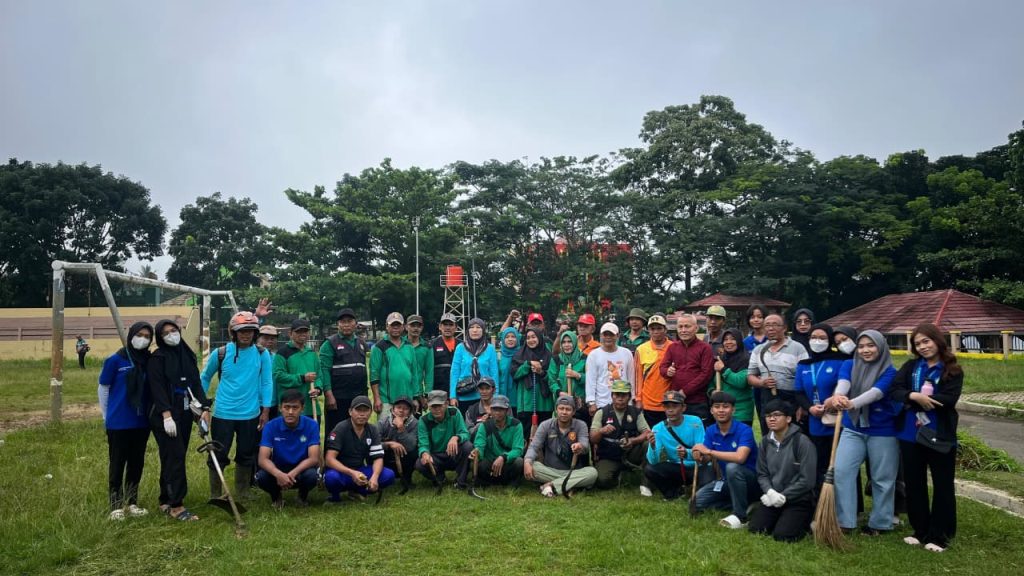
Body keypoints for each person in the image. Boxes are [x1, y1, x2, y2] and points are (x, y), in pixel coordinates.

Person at [890, 323, 963, 552]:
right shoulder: (911, 367)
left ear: (937, 341)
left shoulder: (952, 370)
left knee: (943, 485)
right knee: (914, 483)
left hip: (939, 435)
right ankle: (920, 530)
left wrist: (921, 400)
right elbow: (895, 390)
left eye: (926, 341)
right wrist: (914, 396)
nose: (922, 347)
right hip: (910, 434)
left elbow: (949, 399)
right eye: (918, 343)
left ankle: (940, 535)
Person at [825, 329, 899, 535]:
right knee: (842, 471)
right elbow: (843, 384)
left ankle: (881, 522)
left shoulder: (890, 371)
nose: (866, 350)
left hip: (883, 430)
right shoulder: (849, 364)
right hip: (853, 428)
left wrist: (851, 403)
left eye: (871, 345)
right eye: (861, 346)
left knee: (882, 478)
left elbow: (876, 393)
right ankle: (845, 521)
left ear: (881, 347)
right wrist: (838, 396)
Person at [200, 310, 274, 502]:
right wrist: (201, 404)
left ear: (255, 333)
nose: (246, 334)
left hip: (251, 414)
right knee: (218, 453)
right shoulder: (221, 353)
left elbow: (267, 382)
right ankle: (216, 493)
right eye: (241, 331)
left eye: (250, 330)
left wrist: (266, 410)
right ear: (233, 332)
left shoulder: (262, 354)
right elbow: (205, 377)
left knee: (246, 453)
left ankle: (243, 491)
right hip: (223, 413)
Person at [149, 319, 210, 521]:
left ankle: (165, 499)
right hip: (165, 414)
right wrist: (166, 415)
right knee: (174, 456)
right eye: (165, 333)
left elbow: (196, 383)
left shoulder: (187, 354)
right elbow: (157, 388)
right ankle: (177, 505)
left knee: (174, 455)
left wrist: (204, 408)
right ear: (160, 337)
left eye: (173, 330)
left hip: (184, 411)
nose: (171, 335)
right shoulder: (157, 358)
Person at [99, 321, 153, 520]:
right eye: (139, 335)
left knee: (136, 463)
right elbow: (103, 388)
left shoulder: (149, 361)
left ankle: (132, 502)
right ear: (131, 336)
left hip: (141, 422)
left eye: (147, 336)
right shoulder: (115, 360)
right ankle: (116, 505)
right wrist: (106, 415)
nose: (142, 339)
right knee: (117, 462)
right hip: (118, 422)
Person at [748, 399, 817, 542]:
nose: (771, 419)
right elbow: (762, 473)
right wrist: (770, 492)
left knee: (783, 536)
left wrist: (784, 496)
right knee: (756, 528)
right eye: (768, 416)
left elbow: (807, 480)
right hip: (773, 496)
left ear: (788, 419)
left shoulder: (802, 442)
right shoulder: (765, 442)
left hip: (798, 498)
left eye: (777, 415)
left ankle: (808, 521)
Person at [692, 391, 760, 529]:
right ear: (711, 410)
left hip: (752, 482)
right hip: (727, 481)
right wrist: (699, 455)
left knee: (732, 467)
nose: (721, 410)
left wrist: (709, 451)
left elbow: (740, 458)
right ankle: (746, 504)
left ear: (733, 410)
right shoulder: (711, 430)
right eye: (717, 407)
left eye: (725, 406)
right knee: (696, 503)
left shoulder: (745, 430)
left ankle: (740, 516)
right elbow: (707, 457)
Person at [793, 323, 846, 490]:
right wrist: (810, 408)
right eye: (814, 337)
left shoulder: (841, 360)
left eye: (822, 338)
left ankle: (849, 502)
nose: (817, 341)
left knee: (843, 466)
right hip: (815, 420)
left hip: (839, 420)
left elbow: (847, 385)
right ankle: (822, 499)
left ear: (830, 340)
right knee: (819, 464)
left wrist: (834, 401)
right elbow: (799, 392)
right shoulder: (804, 364)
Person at [255, 389, 320, 508]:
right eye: (286, 407)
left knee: (312, 476)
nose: (290, 412)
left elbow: (314, 458)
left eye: (295, 408)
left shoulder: (312, 425)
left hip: (301, 470)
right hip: (279, 469)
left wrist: (292, 474)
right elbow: (262, 459)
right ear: (280, 408)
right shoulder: (270, 426)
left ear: (302, 408)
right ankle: (276, 497)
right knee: (262, 477)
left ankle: (302, 497)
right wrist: (279, 474)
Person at [524, 396, 599, 497]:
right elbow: (534, 447)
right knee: (533, 466)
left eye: (568, 409)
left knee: (593, 473)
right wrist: (527, 461)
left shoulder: (581, 425)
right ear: (556, 410)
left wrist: (580, 446)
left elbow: (585, 444)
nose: (564, 412)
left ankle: (550, 485)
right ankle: (571, 484)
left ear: (573, 412)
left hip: (574, 471)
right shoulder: (545, 425)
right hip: (549, 471)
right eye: (561, 408)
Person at [747, 314, 809, 434]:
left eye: (775, 325)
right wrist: (761, 382)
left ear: (784, 328)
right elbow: (750, 376)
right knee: (769, 436)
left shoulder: (798, 348)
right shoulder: (758, 350)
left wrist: (802, 405)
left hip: (792, 400)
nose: (770, 328)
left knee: (792, 437)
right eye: (767, 325)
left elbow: (805, 378)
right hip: (767, 399)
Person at [323, 395, 394, 500]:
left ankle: (357, 490)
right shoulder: (340, 428)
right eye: (358, 410)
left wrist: (374, 477)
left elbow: (378, 458)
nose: (362, 414)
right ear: (350, 412)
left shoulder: (372, 430)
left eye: (365, 410)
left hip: (359, 470)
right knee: (332, 478)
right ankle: (335, 497)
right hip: (341, 471)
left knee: (389, 475)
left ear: (370, 412)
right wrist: (352, 473)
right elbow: (329, 459)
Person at [591, 380, 651, 493]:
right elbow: (593, 438)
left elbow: (647, 432)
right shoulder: (601, 412)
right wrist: (601, 431)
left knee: (648, 444)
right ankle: (618, 478)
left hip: (631, 453)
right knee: (602, 480)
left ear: (629, 397)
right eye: (617, 394)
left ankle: (646, 482)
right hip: (609, 455)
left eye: (624, 395)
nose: (620, 398)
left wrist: (633, 441)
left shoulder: (636, 412)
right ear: (612, 396)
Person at [644, 390, 705, 500]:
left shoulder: (695, 421)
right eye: (667, 406)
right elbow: (653, 461)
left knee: (707, 483)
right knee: (650, 469)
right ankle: (672, 494)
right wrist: (652, 446)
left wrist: (687, 453)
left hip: (697, 466)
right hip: (677, 467)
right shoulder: (658, 428)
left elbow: (702, 450)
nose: (670, 410)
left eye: (675, 406)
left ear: (683, 407)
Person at [319, 308, 370, 434]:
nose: (346, 325)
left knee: (357, 431)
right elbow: (324, 370)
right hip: (338, 397)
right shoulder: (329, 344)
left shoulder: (361, 343)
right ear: (338, 324)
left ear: (355, 324)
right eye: (343, 322)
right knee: (335, 431)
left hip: (358, 396)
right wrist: (329, 395)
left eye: (349, 321)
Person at [660, 314, 714, 426]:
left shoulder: (705, 348)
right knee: (677, 432)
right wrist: (667, 371)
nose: (683, 330)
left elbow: (706, 375)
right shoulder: (672, 347)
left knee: (697, 432)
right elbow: (662, 367)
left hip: (697, 402)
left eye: (687, 326)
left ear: (696, 328)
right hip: (675, 402)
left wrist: (684, 392)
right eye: (680, 327)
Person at [416, 390, 473, 489]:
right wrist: (425, 453)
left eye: (440, 405)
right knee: (419, 464)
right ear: (429, 406)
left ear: (446, 404)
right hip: (435, 456)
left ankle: (461, 480)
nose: (437, 409)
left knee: (468, 446)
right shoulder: (423, 420)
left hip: (453, 452)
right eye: (434, 406)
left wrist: (456, 437)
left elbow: (465, 433)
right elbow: (423, 443)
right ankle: (439, 477)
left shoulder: (454, 412)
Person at [273, 318, 323, 419]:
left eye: (305, 331)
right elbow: (279, 376)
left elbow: (318, 376)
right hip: (290, 408)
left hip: (310, 407)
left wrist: (317, 389)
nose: (302, 334)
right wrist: (302, 378)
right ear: (290, 333)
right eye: (298, 332)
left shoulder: (312, 353)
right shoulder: (282, 353)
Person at [370, 312, 418, 416]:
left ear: (403, 327)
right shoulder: (379, 347)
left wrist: (415, 397)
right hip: (386, 400)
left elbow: (414, 373)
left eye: (398, 325)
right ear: (387, 326)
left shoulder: (409, 346)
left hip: (407, 400)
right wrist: (377, 398)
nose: (395, 328)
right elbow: (374, 375)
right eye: (392, 325)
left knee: (407, 426)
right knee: (386, 427)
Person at [472, 394, 525, 486]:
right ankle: (493, 481)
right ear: (490, 410)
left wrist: (503, 457)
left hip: (507, 462)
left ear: (507, 410)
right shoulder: (484, 426)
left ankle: (507, 481)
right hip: (490, 463)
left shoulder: (516, 425)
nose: (497, 412)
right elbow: (479, 445)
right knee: (480, 464)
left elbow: (518, 450)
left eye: (501, 409)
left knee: (519, 462)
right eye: (494, 409)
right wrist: (476, 452)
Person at [586, 322, 635, 421]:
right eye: (605, 334)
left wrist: (632, 399)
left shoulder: (627, 353)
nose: (608, 337)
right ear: (600, 336)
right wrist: (591, 402)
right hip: (602, 403)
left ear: (617, 336)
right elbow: (590, 380)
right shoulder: (593, 355)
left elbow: (631, 378)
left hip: (624, 403)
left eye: (611, 335)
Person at [450, 318, 499, 413]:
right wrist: (452, 396)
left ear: (483, 330)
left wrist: (495, 395)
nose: (475, 330)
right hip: (464, 394)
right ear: (468, 330)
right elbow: (454, 372)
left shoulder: (490, 349)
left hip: (484, 395)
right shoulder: (460, 348)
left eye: (478, 327)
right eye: (472, 327)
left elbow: (494, 373)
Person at [513, 328, 554, 441]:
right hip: (526, 403)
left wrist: (541, 372)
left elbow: (553, 377)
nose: (531, 340)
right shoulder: (519, 355)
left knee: (544, 436)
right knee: (526, 436)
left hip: (544, 403)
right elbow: (515, 374)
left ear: (540, 338)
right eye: (528, 338)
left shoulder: (548, 355)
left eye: (533, 337)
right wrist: (528, 364)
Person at [634, 314, 673, 427]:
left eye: (659, 328)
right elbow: (637, 377)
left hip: (670, 402)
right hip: (648, 403)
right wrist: (638, 399)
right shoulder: (641, 349)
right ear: (648, 331)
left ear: (665, 329)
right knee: (651, 435)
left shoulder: (674, 347)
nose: (656, 332)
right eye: (652, 329)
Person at [713, 328, 753, 426]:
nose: (728, 342)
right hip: (722, 410)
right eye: (725, 339)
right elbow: (712, 382)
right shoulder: (721, 359)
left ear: (739, 341)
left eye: (732, 339)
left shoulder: (747, 359)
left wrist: (723, 370)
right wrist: (712, 391)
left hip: (741, 411)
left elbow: (741, 382)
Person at [378, 395, 419, 490]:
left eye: (405, 408)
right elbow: (374, 444)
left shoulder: (415, 423)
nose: (401, 410)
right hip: (386, 456)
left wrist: (401, 428)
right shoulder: (383, 422)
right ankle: (380, 477)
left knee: (414, 452)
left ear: (410, 412)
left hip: (404, 455)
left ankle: (407, 479)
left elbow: (411, 446)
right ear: (393, 409)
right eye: (398, 407)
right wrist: (389, 444)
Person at [549, 330, 586, 418]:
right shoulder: (556, 360)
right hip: (562, 404)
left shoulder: (584, 358)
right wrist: (559, 392)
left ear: (575, 342)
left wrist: (578, 375)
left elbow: (591, 379)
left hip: (580, 405)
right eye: (564, 342)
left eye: (569, 342)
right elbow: (551, 381)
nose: (566, 345)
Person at [405, 314, 434, 408]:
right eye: (412, 325)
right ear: (406, 327)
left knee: (416, 417)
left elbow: (429, 372)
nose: (415, 328)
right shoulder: (400, 344)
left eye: (418, 326)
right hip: (401, 389)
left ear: (422, 328)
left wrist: (427, 394)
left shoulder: (427, 347)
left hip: (418, 393)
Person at [431, 313, 462, 400]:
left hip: (459, 389)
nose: (447, 328)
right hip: (438, 389)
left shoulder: (462, 345)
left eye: (451, 325)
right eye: (445, 324)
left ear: (456, 328)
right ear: (440, 327)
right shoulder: (432, 344)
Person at [497, 327, 522, 413]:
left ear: (517, 338)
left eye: (513, 336)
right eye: (507, 337)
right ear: (503, 339)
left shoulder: (522, 355)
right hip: (502, 395)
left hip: (518, 397)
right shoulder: (498, 356)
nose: (510, 339)